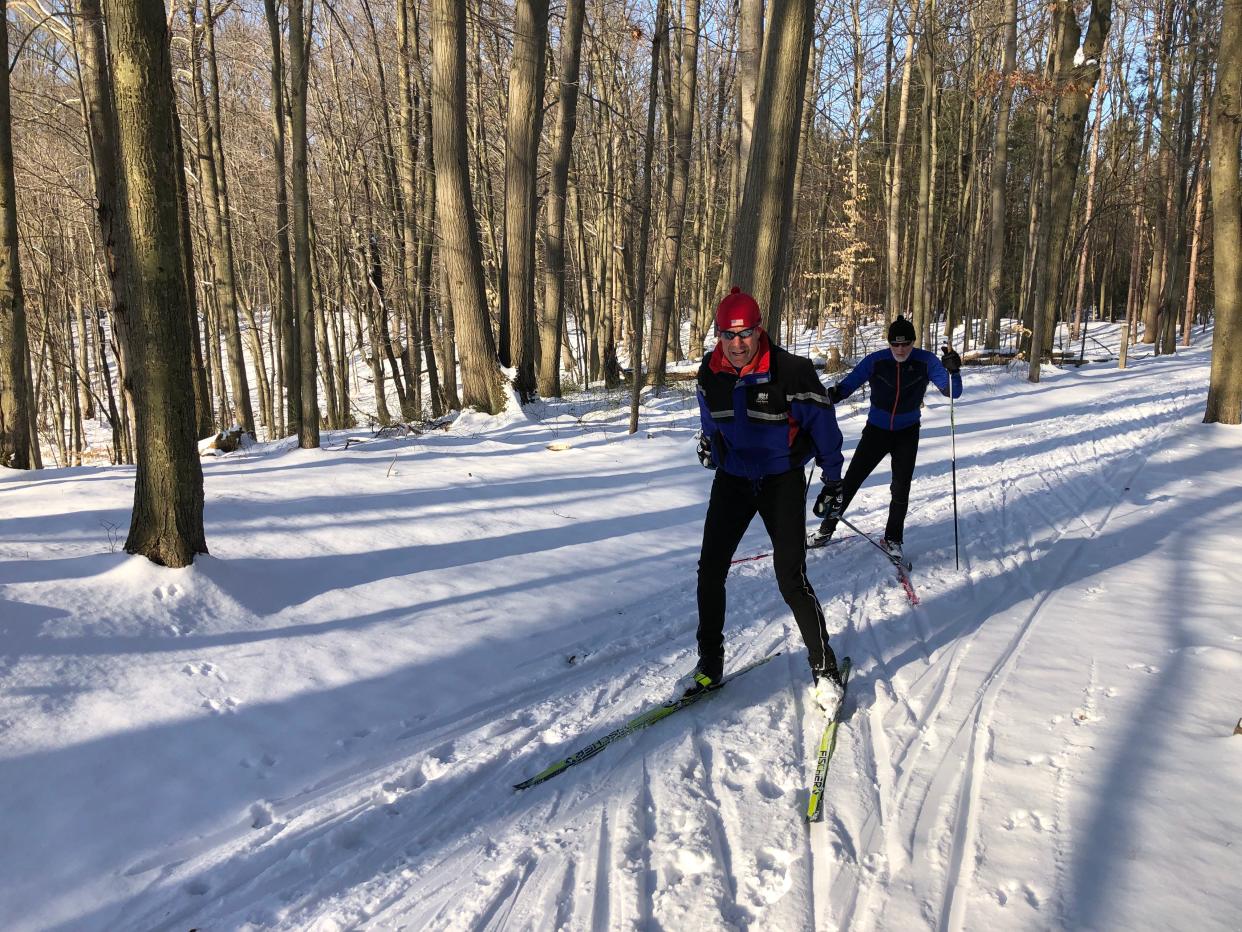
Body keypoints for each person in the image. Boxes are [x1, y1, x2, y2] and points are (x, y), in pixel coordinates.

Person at [692, 287, 847, 709]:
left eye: (746, 334)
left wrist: (834, 482)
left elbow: (825, 430)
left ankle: (824, 668)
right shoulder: (709, 371)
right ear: (719, 335)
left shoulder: (792, 371)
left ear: (760, 330)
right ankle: (710, 662)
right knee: (710, 570)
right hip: (734, 478)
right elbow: (708, 413)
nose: (738, 344)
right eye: (729, 335)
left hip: (781, 479)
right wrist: (709, 442)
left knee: (790, 577)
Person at [809, 314, 963, 565]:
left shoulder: (926, 361)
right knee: (850, 482)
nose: (900, 349)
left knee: (901, 487)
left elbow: (953, 393)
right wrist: (827, 398)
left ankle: (893, 539)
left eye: (906, 344)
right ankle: (826, 530)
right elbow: (848, 386)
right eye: (895, 344)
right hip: (876, 431)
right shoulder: (876, 361)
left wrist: (954, 371)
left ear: (913, 342)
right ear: (889, 343)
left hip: (907, 432)